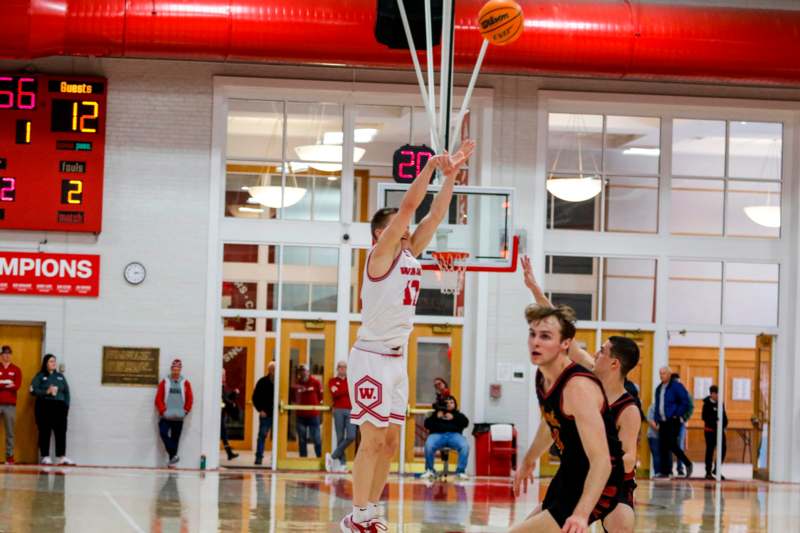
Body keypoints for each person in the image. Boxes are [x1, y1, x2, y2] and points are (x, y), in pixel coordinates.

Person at [340, 140, 475, 533]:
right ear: (381, 233)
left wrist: (451, 178)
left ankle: (371, 510)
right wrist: (431, 166)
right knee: (372, 439)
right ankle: (358, 514)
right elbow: (410, 209)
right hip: (372, 355)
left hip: (397, 359)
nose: (405, 230)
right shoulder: (379, 255)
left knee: (392, 441)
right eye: (396, 227)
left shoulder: (411, 253)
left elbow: (433, 216)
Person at [520, 256, 639, 531]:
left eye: (603, 351)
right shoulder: (585, 375)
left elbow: (629, 456)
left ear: (614, 363)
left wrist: (598, 461)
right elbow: (561, 331)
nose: (596, 353)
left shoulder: (628, 408)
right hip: (575, 474)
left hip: (614, 482)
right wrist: (536, 290)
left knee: (622, 524)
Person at [510, 305, 625, 533]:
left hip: (600, 477)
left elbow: (602, 461)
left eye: (545, 336)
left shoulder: (578, 387)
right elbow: (551, 421)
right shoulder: (543, 374)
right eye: (532, 334)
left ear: (565, 344)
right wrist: (530, 459)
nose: (535, 342)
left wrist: (581, 515)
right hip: (570, 472)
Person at [30, 354, 73, 465]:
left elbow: (67, 392)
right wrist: (46, 392)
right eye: (51, 361)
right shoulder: (40, 376)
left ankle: (61, 456)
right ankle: (45, 456)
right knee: (45, 431)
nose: (53, 363)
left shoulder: (60, 376)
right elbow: (32, 390)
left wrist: (66, 405)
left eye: (54, 361)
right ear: (46, 363)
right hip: (44, 406)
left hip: (59, 407)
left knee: (61, 431)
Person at [652, 366, 693, 478]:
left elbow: (685, 402)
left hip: (673, 420)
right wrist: (656, 418)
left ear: (669, 374)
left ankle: (688, 464)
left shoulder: (676, 386)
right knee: (663, 446)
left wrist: (677, 414)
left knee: (672, 444)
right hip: (662, 421)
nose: (661, 375)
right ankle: (665, 472)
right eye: (660, 373)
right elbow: (658, 405)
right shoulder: (659, 388)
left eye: (663, 373)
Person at [421, 395, 470, 480]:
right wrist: (436, 417)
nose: (450, 404)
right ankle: (430, 470)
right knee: (429, 444)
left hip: (454, 435)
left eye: (452, 402)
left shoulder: (458, 414)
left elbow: (465, 423)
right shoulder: (436, 413)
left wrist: (454, 417)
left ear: (455, 404)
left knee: (465, 446)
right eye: (447, 403)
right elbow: (427, 424)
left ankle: (460, 472)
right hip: (437, 435)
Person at [155, 358, 193, 467]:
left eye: (178, 369)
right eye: (174, 369)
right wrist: (163, 411)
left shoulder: (185, 383)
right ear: (171, 369)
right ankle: (173, 455)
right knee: (163, 432)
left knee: (175, 439)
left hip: (179, 417)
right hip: (166, 416)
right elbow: (158, 399)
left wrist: (185, 411)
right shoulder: (165, 382)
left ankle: (172, 462)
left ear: (180, 370)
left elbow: (190, 398)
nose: (176, 372)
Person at [327, 360, 356, 473]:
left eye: (344, 367)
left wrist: (342, 390)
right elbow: (335, 393)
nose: (342, 369)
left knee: (351, 436)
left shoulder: (351, 381)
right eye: (340, 367)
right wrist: (347, 390)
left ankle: (332, 457)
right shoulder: (332, 381)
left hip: (351, 410)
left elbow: (352, 393)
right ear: (337, 369)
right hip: (338, 410)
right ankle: (343, 464)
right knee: (340, 437)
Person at [292, 364, 323, 458]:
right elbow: (293, 398)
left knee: (316, 438)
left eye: (304, 370)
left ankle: (319, 458)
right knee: (302, 439)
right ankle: (303, 459)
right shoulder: (296, 383)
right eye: (301, 371)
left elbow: (321, 396)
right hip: (300, 415)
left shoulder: (316, 382)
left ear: (308, 372)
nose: (303, 372)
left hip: (313, 415)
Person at [0, 345, 21, 464]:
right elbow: (10, 385)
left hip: (10, 405)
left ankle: (9, 458)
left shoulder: (16, 369)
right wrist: (7, 383)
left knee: (10, 433)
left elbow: (16, 386)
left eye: (9, 353)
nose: (6, 355)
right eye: (4, 353)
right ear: (1, 355)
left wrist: (1, 383)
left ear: (11, 355)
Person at [702, 385, 728, 480]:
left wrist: (724, 424)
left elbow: (724, 416)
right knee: (710, 450)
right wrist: (715, 421)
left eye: (718, 394)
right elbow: (704, 417)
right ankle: (708, 472)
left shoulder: (720, 404)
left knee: (723, 449)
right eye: (716, 393)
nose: (717, 395)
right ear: (712, 394)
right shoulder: (706, 404)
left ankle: (716, 469)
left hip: (720, 431)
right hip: (710, 431)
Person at [252, 361, 275, 466]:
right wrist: (260, 410)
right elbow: (255, 397)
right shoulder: (262, 382)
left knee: (276, 438)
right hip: (265, 414)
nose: (275, 371)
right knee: (262, 436)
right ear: (269, 370)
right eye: (273, 369)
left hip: (278, 414)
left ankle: (275, 459)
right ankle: (258, 458)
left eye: (276, 369)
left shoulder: (280, 382)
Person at [672, 372, 693, 477]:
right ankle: (667, 469)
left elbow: (690, 407)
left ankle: (680, 467)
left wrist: (683, 418)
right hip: (669, 423)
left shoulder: (684, 393)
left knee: (679, 445)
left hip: (680, 423)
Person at [221, 368, 240, 461]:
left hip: (222, 413)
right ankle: (229, 453)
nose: (225, 377)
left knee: (224, 434)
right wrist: (231, 403)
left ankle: (229, 453)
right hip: (219, 414)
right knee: (223, 434)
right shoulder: (219, 386)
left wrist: (233, 393)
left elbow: (226, 397)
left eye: (224, 375)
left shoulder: (223, 385)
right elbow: (224, 399)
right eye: (223, 375)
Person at [646, 403, 661, 476]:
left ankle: (663, 473)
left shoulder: (667, 407)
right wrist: (660, 429)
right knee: (656, 454)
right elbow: (650, 420)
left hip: (663, 436)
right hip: (653, 436)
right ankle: (657, 473)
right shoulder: (653, 406)